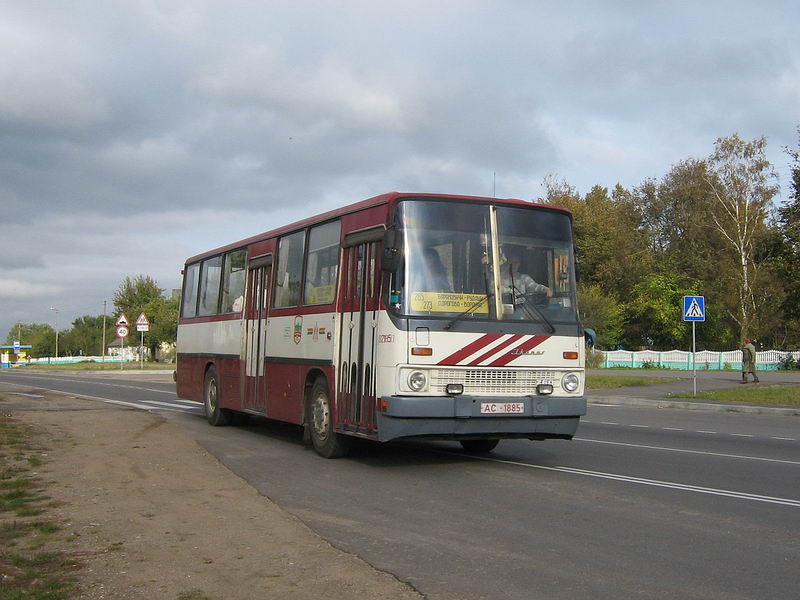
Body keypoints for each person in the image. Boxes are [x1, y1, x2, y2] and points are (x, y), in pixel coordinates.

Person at [501, 251, 552, 317]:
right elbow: (496, 290)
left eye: (516, 263)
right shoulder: (499, 279)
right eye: (511, 262)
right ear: (507, 263)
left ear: (519, 264)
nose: (513, 265)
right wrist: (510, 292)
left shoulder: (524, 278)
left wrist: (544, 289)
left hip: (522, 310)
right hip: (505, 312)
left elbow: (533, 286)